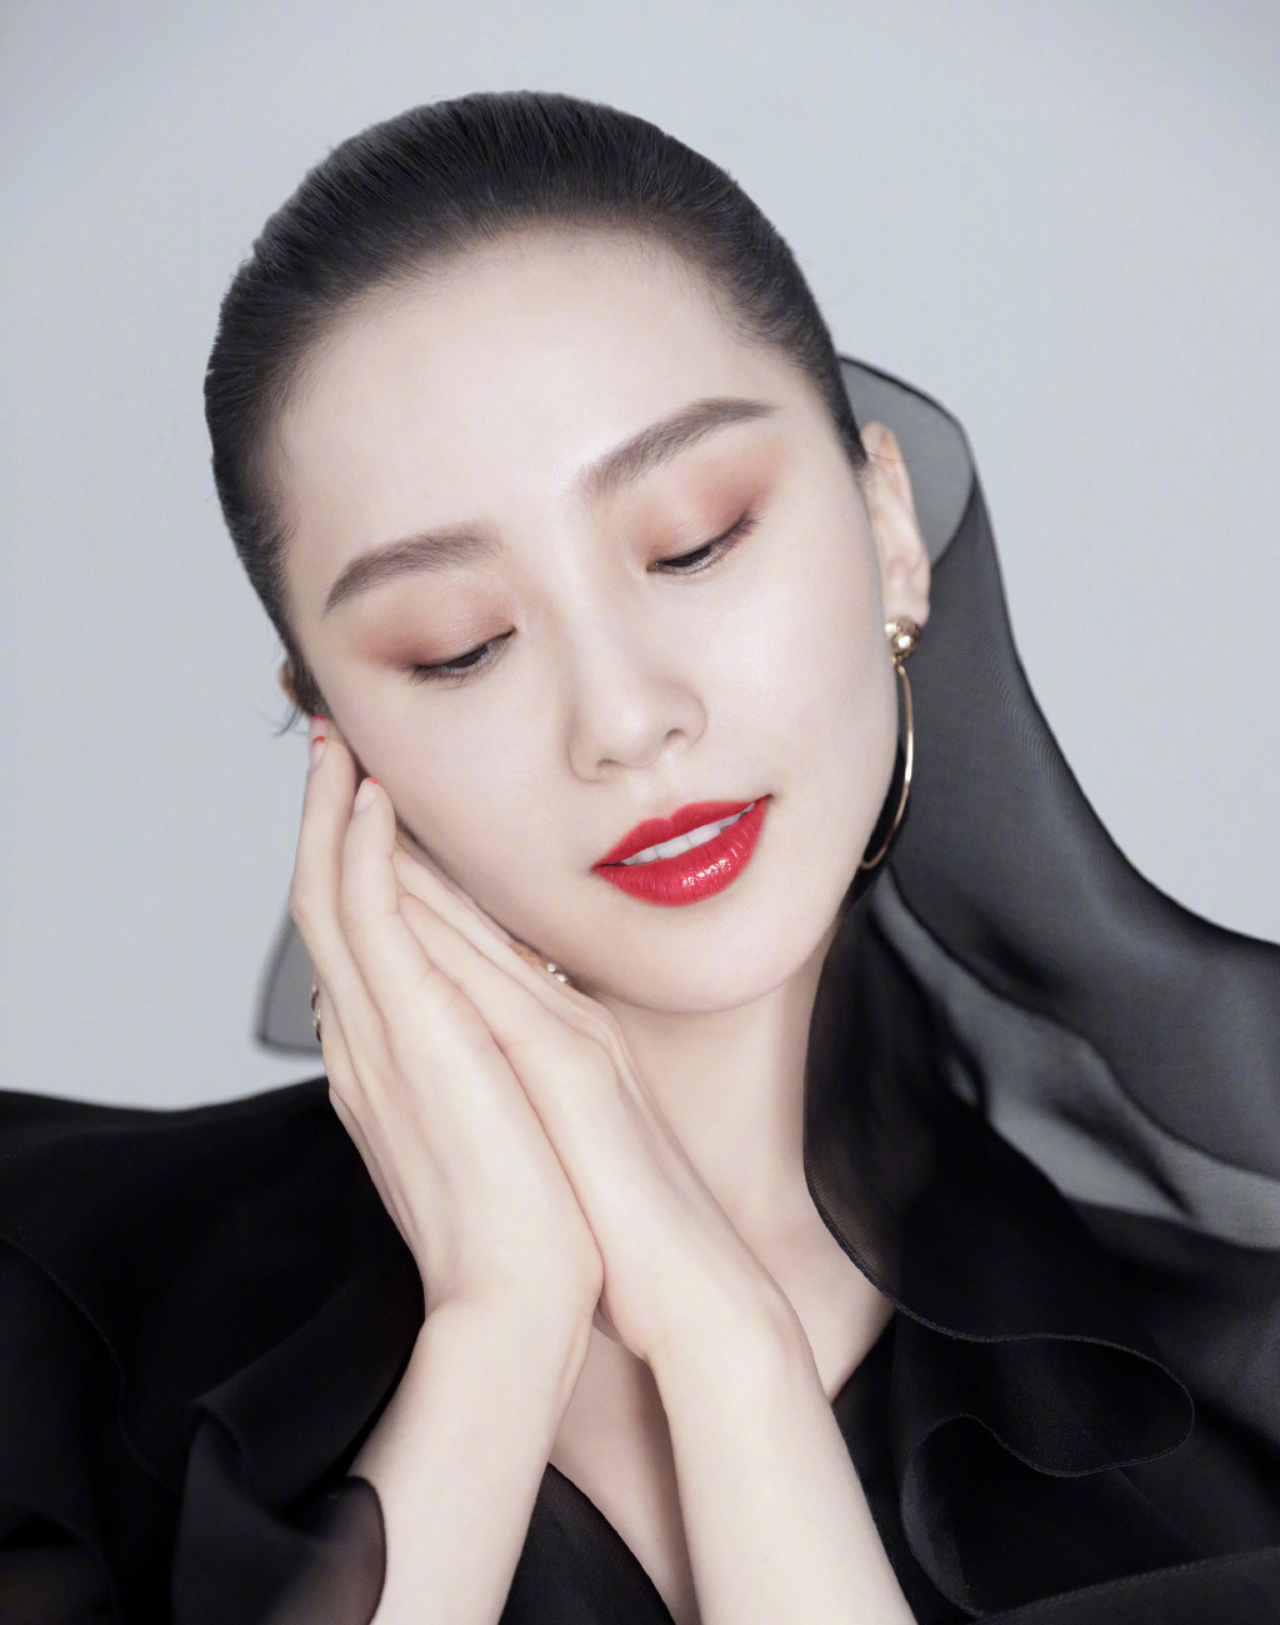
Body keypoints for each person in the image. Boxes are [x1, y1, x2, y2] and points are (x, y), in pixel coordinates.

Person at [1, 90, 1278, 1625]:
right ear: (334, 726)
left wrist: (727, 1358)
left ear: (888, 526)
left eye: (694, 543)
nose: (622, 719)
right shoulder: (47, 1322)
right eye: (458, 645)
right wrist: (498, 1328)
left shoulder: (1238, 1406)